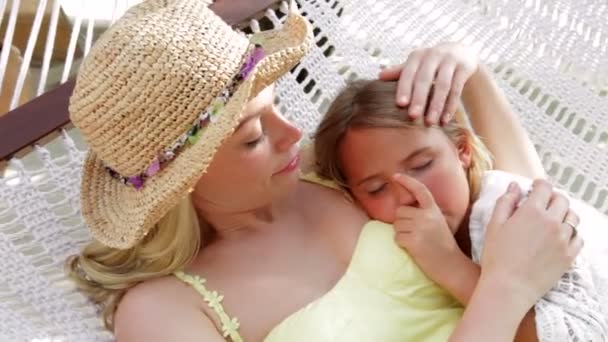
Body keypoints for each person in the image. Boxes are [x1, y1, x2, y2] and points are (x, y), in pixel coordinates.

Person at [65, 1, 582, 341]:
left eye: (275, 106)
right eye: (253, 137)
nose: (293, 133)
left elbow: (521, 205)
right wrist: (506, 289)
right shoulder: (162, 312)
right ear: (180, 179)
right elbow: (519, 268)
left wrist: (472, 76)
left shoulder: (318, 170)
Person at [313, 76, 607, 341]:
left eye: (421, 166)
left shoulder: (509, 209)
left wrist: (449, 264)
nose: (409, 195)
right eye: (377, 189)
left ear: (462, 150)